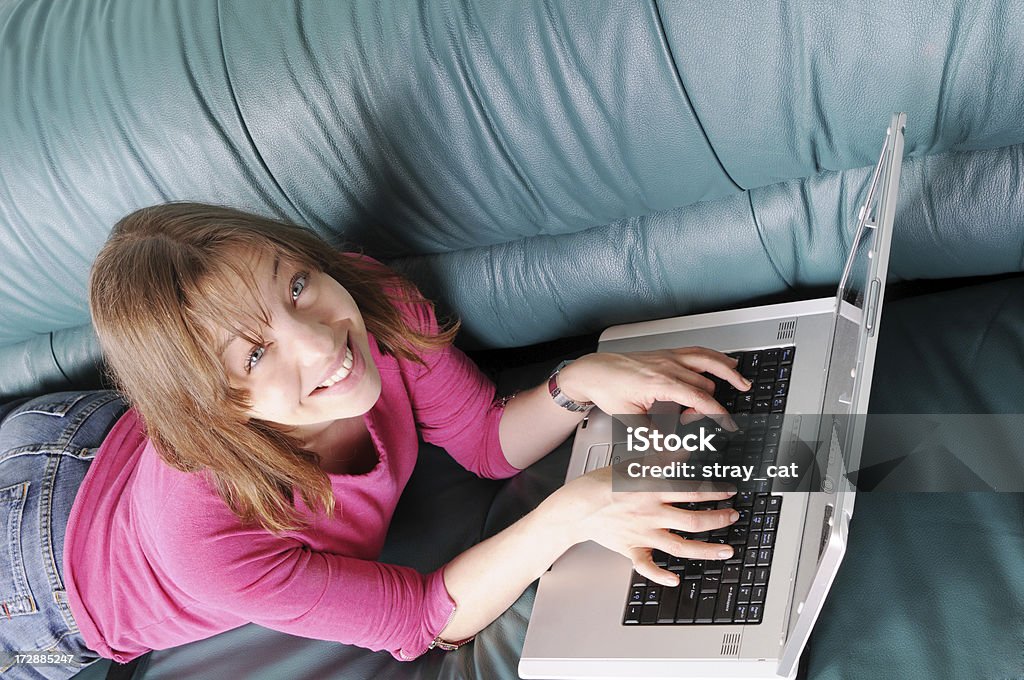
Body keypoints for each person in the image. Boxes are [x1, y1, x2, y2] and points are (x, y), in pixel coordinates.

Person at [0, 202, 752, 677]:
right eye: (257, 354)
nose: (322, 340)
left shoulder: (365, 298)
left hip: (89, 430)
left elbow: (487, 441)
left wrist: (575, 382)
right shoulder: (202, 535)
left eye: (293, 285)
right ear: (209, 407)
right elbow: (423, 619)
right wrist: (572, 513)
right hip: (40, 584)